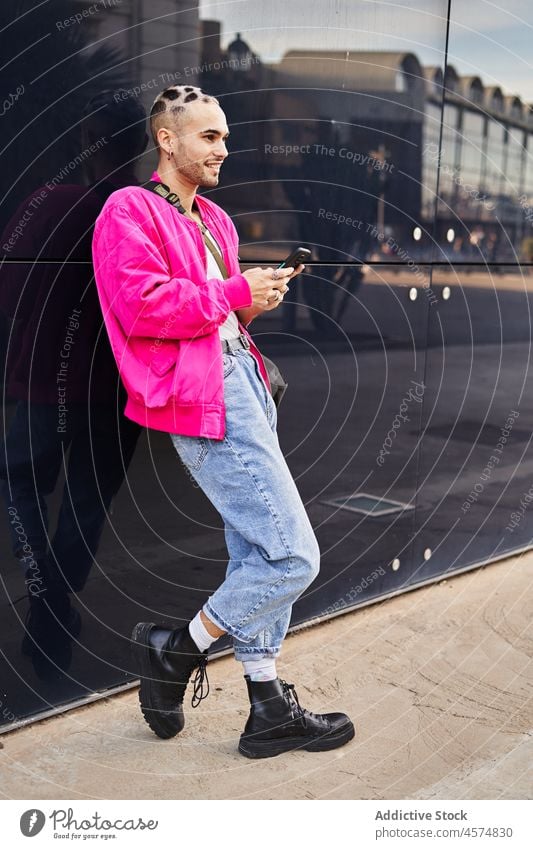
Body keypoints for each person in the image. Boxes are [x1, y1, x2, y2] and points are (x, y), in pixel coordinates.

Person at [92, 84, 354, 759]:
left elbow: (214, 312)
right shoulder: (130, 210)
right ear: (167, 139)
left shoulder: (215, 219)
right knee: (292, 555)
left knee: (257, 552)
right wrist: (234, 290)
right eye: (208, 136)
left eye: (225, 136)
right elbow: (142, 304)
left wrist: (251, 301)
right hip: (201, 394)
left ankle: (266, 707)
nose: (223, 148)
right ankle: (176, 649)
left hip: (241, 378)